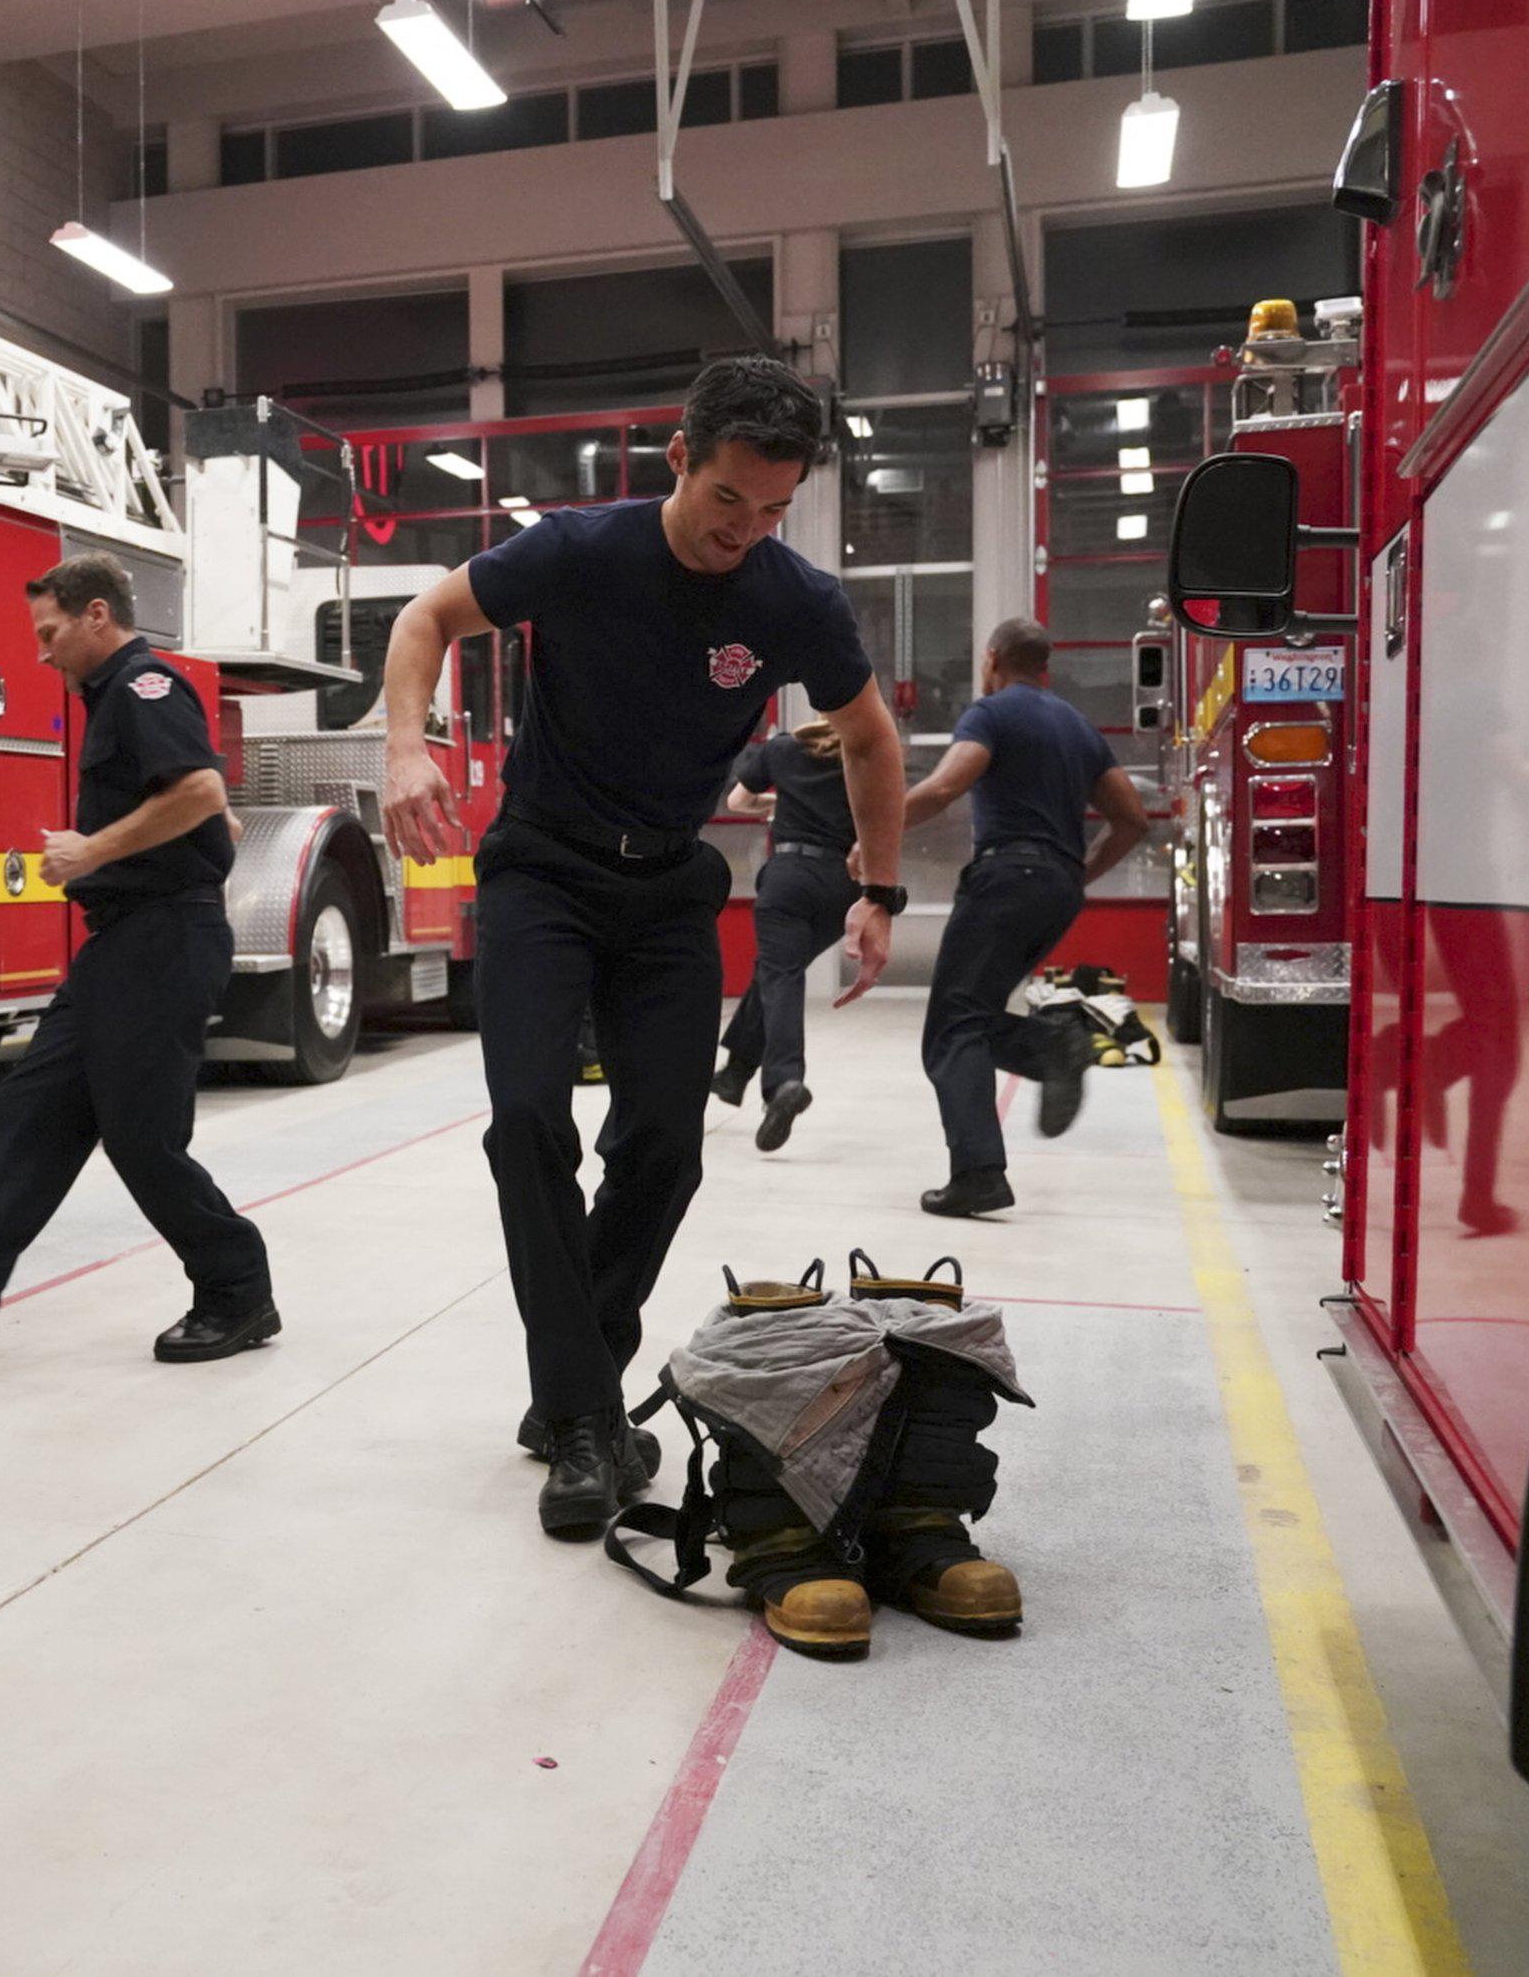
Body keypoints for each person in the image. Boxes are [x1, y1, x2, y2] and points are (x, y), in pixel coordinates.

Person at [379, 356, 909, 1539]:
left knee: (665, 1145)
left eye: (773, 510)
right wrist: (406, 746)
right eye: (730, 500)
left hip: (670, 885)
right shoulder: (578, 552)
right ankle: (584, 1422)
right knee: (527, 1123)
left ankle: (571, 1391)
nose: (747, 531)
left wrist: (880, 887)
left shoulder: (793, 601)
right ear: (678, 459)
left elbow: (871, 739)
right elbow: (428, 616)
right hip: (542, 874)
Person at [0, 557, 275, 1375]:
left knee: (144, 1138)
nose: (41, 653)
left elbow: (198, 790)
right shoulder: (112, 697)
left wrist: (91, 849)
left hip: (163, 939)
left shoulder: (145, 686)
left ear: (96, 615)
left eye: (50, 633)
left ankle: (237, 1287)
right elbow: (191, 799)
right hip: (123, 944)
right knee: (28, 1118)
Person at [899, 618, 1151, 1217]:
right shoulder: (1077, 725)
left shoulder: (993, 713)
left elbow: (942, 788)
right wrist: (1077, 875)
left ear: (992, 659)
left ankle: (981, 1171)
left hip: (1006, 878)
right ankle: (1053, 1049)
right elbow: (1134, 820)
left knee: (951, 1028)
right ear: (1045, 664)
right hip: (1057, 888)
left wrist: (871, 832)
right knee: (972, 1018)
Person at [710, 717, 861, 1151]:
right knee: (779, 970)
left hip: (790, 876)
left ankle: (784, 1082)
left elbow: (739, 801)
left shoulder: (781, 749)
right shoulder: (863, 752)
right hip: (843, 885)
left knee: (781, 976)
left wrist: (776, 807)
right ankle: (736, 1072)